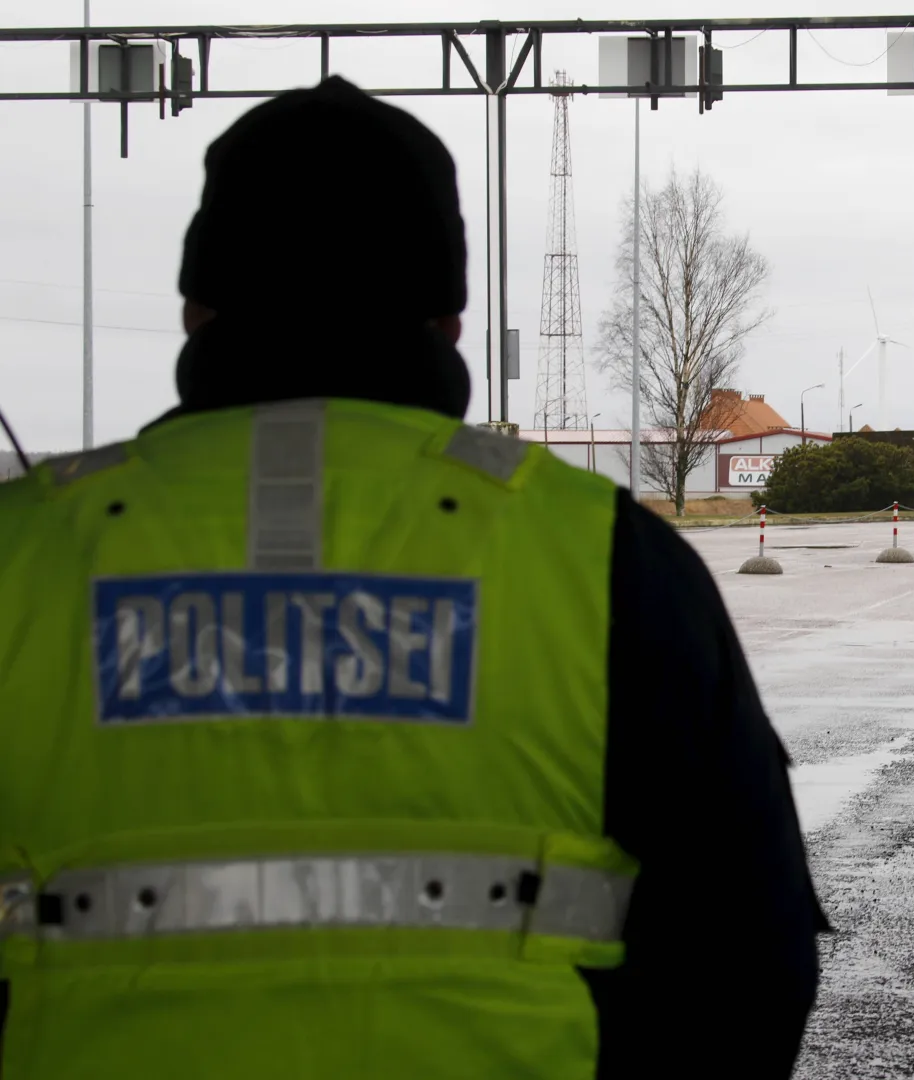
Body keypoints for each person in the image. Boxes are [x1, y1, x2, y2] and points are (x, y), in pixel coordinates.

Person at [0, 77, 823, 1079]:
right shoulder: (603, 557)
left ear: (197, 305)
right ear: (449, 319)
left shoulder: (26, 551)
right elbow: (746, 949)